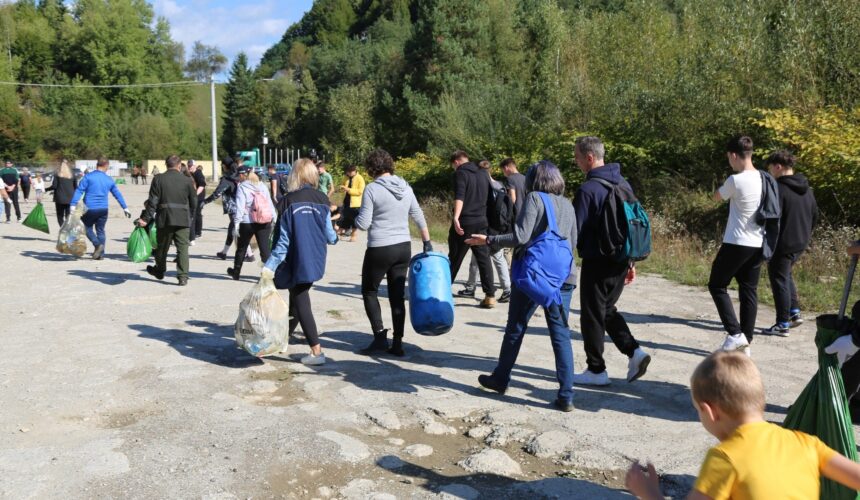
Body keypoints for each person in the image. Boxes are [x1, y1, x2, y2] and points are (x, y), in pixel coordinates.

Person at [625, 351, 860, 499]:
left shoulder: (725, 458)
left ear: (709, 411)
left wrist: (650, 494)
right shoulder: (807, 444)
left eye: (698, 412)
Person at [467, 160, 578, 411]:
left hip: (534, 275)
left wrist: (490, 239)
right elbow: (573, 241)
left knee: (515, 327)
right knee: (560, 334)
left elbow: (521, 236)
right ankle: (566, 395)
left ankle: (501, 378)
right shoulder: (568, 204)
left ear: (533, 180)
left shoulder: (535, 198)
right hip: (564, 276)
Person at [572, 136, 650, 385]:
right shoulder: (623, 183)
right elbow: (630, 225)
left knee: (592, 314)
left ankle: (596, 370)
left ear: (590, 158)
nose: (576, 162)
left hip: (598, 261)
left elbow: (575, 230)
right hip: (621, 258)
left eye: (577, 157)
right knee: (606, 310)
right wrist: (631, 262)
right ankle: (635, 352)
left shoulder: (588, 190)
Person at [354, 149, 433, 357]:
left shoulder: (372, 189)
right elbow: (417, 214)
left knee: (370, 291)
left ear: (372, 168)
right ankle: (397, 342)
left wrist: (348, 218)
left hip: (380, 247)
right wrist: (427, 241)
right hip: (403, 247)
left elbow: (363, 224)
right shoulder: (406, 187)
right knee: (397, 296)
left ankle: (380, 337)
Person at [263, 158, 338, 366]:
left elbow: (283, 241)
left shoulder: (287, 201)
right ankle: (282, 338)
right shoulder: (322, 198)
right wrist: (336, 237)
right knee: (297, 298)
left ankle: (317, 351)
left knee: (301, 298)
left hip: (297, 258)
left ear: (295, 175)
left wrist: (269, 266)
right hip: (316, 257)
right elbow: (330, 235)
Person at [709, 135, 764, 355]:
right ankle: (746, 341)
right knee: (748, 289)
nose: (729, 163)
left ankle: (734, 333)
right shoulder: (764, 178)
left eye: (729, 159)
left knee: (717, 285)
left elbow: (716, 197)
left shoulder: (735, 180)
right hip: (758, 242)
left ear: (734, 155)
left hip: (736, 242)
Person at [760, 150, 818, 336]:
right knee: (786, 275)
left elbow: (772, 217)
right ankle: (794, 312)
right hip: (800, 242)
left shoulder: (778, 189)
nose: (770, 172)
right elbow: (814, 216)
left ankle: (782, 323)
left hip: (782, 243)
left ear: (778, 166)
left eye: (770, 168)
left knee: (779, 280)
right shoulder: (807, 190)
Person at [136, 155, 197, 286]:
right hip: (183, 219)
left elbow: (153, 202)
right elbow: (194, 202)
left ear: (166, 165)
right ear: (179, 165)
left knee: (162, 247)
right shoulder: (187, 180)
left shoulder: (158, 179)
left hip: (165, 218)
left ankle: (159, 271)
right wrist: (189, 216)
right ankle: (183, 277)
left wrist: (145, 219)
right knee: (183, 249)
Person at [448, 150, 497, 308]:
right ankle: (490, 296)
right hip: (481, 221)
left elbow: (460, 196)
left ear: (456, 162)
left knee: (454, 258)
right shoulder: (483, 173)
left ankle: (442, 290)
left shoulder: (460, 173)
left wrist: (456, 217)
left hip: (465, 222)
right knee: (483, 258)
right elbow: (491, 197)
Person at [458, 160, 511, 303]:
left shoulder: (484, 183)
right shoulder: (499, 185)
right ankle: (495, 292)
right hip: (496, 226)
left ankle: (500, 289)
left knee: (483, 259)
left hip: (486, 226)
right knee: (488, 258)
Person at [69, 157, 131, 259]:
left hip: (90, 208)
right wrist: (125, 207)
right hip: (103, 209)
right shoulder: (109, 179)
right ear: (106, 166)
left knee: (85, 227)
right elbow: (117, 194)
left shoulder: (88, 177)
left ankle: (97, 245)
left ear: (97, 165)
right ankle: (100, 255)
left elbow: (79, 191)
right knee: (100, 230)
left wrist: (72, 204)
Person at [228, 166, 275, 280]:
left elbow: (240, 207)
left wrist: (236, 224)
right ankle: (268, 276)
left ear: (242, 175)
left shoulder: (242, 187)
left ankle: (236, 272)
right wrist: (274, 218)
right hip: (264, 221)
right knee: (265, 249)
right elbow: (269, 203)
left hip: (247, 222)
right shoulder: (262, 185)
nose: (238, 179)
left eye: (238, 176)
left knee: (242, 247)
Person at [204, 158, 251, 261]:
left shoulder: (227, 179)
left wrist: (204, 202)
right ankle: (224, 253)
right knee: (233, 230)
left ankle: (249, 254)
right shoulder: (239, 177)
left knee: (237, 231)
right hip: (243, 207)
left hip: (234, 208)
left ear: (225, 166)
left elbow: (217, 193)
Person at [337, 164, 365, 242]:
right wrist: (341, 187)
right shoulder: (345, 177)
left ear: (354, 171)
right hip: (345, 200)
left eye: (349, 172)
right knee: (343, 217)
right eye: (347, 172)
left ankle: (354, 235)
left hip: (355, 203)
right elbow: (342, 184)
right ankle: (340, 233)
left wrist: (348, 190)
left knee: (353, 220)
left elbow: (360, 191)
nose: (348, 173)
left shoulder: (360, 178)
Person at [46, 160, 77, 226]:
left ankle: (63, 230)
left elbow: (54, 186)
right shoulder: (72, 174)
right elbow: (76, 187)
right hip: (70, 198)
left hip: (59, 198)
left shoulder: (57, 174)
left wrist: (46, 189)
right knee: (68, 216)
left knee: (60, 216)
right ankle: (67, 230)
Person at [192, 162, 206, 239]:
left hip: (199, 198)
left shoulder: (198, 173)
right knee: (196, 213)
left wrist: (195, 194)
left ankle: (198, 232)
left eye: (191, 165)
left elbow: (202, 184)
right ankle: (195, 231)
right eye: (189, 165)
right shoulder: (192, 173)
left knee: (197, 214)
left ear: (195, 166)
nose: (190, 166)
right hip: (196, 197)